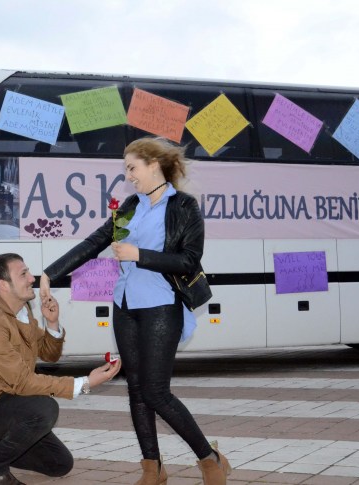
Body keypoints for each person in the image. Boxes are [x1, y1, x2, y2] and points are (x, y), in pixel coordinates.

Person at [40, 138, 232, 485]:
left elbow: (189, 261)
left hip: (162, 305)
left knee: (156, 392)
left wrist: (139, 255)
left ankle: (209, 458)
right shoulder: (130, 205)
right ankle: (152, 468)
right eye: (126, 169)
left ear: (154, 164)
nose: (128, 176)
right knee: (137, 390)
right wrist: (50, 273)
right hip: (125, 306)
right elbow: (94, 242)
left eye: (132, 168)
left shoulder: (184, 206)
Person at [0, 253, 122, 485]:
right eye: (23, 274)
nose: (31, 279)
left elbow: (49, 354)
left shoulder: (21, 310)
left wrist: (52, 323)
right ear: (4, 285)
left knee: (59, 464)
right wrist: (84, 383)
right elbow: (23, 381)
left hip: (3, 397)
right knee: (44, 409)